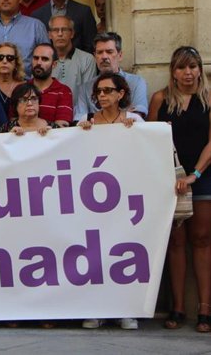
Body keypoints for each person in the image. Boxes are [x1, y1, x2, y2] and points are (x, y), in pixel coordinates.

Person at [148, 46, 211, 333]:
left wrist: (196, 174)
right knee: (174, 241)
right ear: (173, 71)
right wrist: (170, 175)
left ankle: (204, 308)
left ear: (200, 69)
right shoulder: (160, 99)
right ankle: (178, 306)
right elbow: (150, 139)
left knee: (200, 239)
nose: (188, 73)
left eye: (193, 67)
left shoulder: (209, 98)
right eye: (182, 67)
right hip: (169, 179)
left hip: (203, 176)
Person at [77, 72, 142, 331]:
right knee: (95, 253)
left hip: (125, 197)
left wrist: (136, 134)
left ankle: (125, 309)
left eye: (107, 91)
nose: (102, 96)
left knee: (125, 253)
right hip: (94, 199)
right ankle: (97, 309)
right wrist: (80, 134)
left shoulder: (134, 121)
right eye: (99, 92)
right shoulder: (87, 121)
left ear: (121, 93)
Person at [74, 32, 148, 120]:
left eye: (109, 52)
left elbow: (137, 116)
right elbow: (80, 120)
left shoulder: (136, 82)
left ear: (120, 55)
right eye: (100, 52)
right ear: (95, 57)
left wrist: (95, 117)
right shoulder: (85, 88)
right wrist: (124, 114)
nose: (104, 56)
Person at [32, 0, 98, 54]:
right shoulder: (37, 14)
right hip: (48, 65)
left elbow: (90, 44)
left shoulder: (83, 12)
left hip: (77, 64)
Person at [48, 15, 97, 99]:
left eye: (64, 30)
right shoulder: (42, 60)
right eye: (56, 30)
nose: (60, 34)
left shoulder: (87, 59)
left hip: (78, 111)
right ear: (49, 35)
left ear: (72, 33)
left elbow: (88, 96)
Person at [28, 43, 73, 127]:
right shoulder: (21, 89)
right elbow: (13, 123)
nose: (39, 62)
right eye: (36, 58)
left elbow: (62, 126)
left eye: (45, 59)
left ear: (54, 64)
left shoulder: (64, 91)